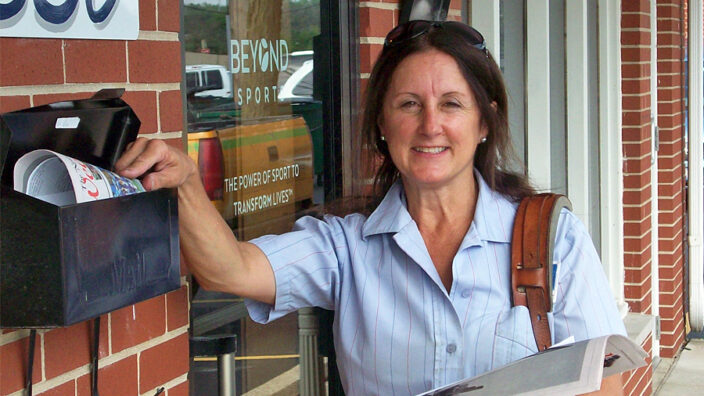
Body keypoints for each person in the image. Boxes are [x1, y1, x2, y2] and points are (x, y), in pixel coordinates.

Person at [116, 20, 626, 395]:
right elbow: (228, 267)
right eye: (409, 104)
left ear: (484, 122)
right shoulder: (345, 247)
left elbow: (600, 382)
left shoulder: (551, 236)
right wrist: (183, 182)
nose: (430, 125)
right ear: (383, 123)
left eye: (451, 103)